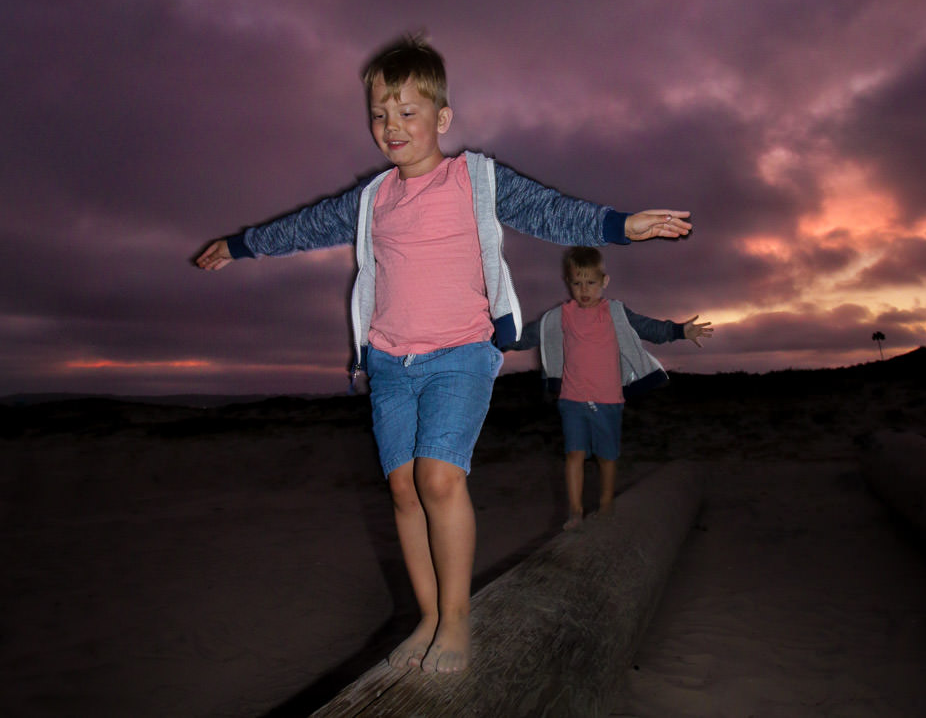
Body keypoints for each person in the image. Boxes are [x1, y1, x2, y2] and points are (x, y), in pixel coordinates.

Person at [194, 35, 693, 674]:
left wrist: (621, 225)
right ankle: (427, 617)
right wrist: (240, 246)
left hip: (460, 355)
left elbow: (550, 212)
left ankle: (458, 622)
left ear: (442, 119)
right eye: (379, 112)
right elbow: (309, 225)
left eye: (408, 111)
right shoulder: (373, 198)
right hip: (388, 362)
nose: (392, 126)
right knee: (403, 490)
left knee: (439, 478)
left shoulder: (475, 178)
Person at [508, 246, 712, 530]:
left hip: (608, 399)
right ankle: (575, 513)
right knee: (574, 454)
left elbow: (648, 328)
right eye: (577, 283)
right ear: (568, 282)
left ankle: (606, 505)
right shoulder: (559, 316)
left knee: (606, 457)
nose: (584, 290)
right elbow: (525, 336)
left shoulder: (614, 312)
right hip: (572, 398)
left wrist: (679, 331)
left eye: (590, 282)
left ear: (604, 281)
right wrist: (493, 338)